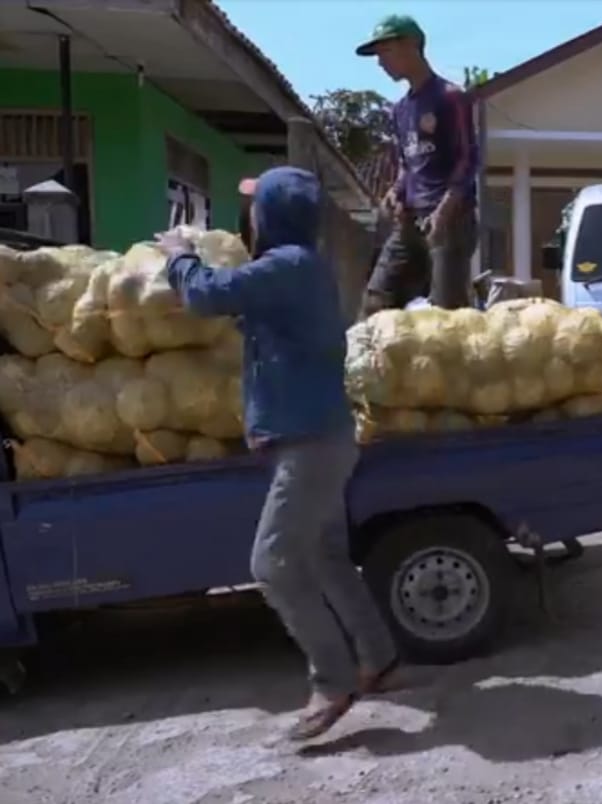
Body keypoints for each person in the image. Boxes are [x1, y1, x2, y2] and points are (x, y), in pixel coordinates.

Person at [156, 167, 403, 741]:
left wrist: (178, 254)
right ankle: (380, 659)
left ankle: (332, 679)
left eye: (253, 207)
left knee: (272, 565)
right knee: (325, 558)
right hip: (319, 437)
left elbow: (203, 295)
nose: (248, 216)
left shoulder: (286, 266)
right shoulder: (300, 270)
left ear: (269, 216)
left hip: (311, 447)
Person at [357, 14, 479, 314]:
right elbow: (407, 164)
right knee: (376, 300)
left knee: (444, 314)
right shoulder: (401, 110)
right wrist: (396, 191)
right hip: (411, 221)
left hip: (449, 220)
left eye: (385, 52)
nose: (380, 63)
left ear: (412, 45)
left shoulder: (450, 97)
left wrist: (444, 211)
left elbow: (469, 158)